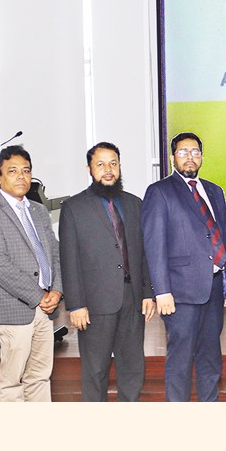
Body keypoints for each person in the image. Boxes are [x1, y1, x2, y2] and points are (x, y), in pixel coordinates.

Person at [141, 132, 226, 401]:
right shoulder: (159, 191)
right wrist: (161, 291)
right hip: (179, 292)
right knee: (180, 360)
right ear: (172, 157)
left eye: (195, 152)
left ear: (202, 156)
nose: (190, 157)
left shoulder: (214, 191)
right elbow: (154, 245)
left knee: (210, 357)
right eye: (183, 152)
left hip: (214, 288)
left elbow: (223, 237)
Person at [59, 142, 155, 401]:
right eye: (100, 164)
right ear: (89, 169)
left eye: (113, 163)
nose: (108, 169)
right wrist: (75, 305)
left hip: (132, 299)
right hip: (94, 304)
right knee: (95, 370)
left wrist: (148, 293)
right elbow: (68, 259)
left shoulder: (135, 204)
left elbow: (143, 253)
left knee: (132, 367)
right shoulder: (74, 208)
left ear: (120, 166)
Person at [0, 145, 63, 402]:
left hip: (46, 307)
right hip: (15, 308)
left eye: (26, 170)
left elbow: (55, 254)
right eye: (12, 171)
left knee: (40, 376)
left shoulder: (38, 210)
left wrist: (57, 291)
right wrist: (39, 296)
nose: (21, 176)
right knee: (13, 382)